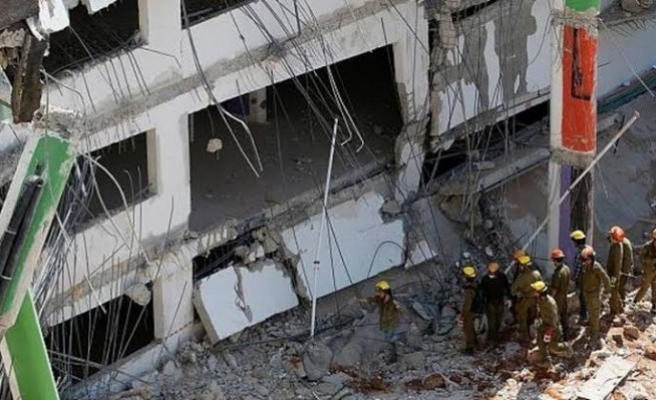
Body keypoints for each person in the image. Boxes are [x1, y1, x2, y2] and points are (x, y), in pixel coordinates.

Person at [531, 280, 574, 367]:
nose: (533, 292)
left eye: (534, 290)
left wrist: (549, 332)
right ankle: (546, 359)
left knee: (553, 347)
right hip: (545, 323)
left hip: (553, 326)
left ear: (539, 292)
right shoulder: (541, 299)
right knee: (540, 339)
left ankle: (566, 346)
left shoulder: (550, 303)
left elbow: (554, 319)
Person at [359, 280, 403, 362]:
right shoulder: (379, 299)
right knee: (389, 339)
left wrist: (401, 318)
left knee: (390, 339)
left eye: (381, 292)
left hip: (392, 323)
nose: (379, 294)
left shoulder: (393, 301)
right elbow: (370, 299)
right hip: (385, 324)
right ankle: (394, 353)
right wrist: (359, 300)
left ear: (386, 292)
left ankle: (400, 339)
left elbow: (401, 311)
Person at [580, 246, 612, 348]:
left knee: (595, 315)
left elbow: (606, 278)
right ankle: (590, 324)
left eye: (585, 260)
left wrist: (607, 291)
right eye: (583, 260)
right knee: (590, 311)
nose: (583, 262)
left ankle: (594, 336)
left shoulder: (596, 267)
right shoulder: (585, 266)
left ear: (591, 259)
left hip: (594, 294)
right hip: (587, 293)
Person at [511, 255, 542, 343]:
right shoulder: (537, 274)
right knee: (532, 318)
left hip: (524, 301)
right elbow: (541, 286)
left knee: (523, 319)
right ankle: (533, 336)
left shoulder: (521, 278)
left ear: (523, 266)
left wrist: (519, 293)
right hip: (534, 300)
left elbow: (512, 290)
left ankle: (525, 337)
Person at [479, 261, 510, 343]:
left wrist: (509, 298)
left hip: (500, 301)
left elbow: (507, 287)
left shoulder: (502, 277)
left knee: (499, 319)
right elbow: (481, 291)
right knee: (492, 321)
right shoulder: (485, 279)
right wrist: (482, 302)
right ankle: (492, 339)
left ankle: (496, 335)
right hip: (490, 302)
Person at [633, 228, 656, 313]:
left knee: (655, 288)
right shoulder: (647, 247)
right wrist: (652, 261)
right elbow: (642, 258)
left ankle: (654, 306)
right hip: (649, 270)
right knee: (645, 287)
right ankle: (635, 302)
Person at [549, 249, 571, 338]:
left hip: (557, 298)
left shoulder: (558, 273)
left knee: (556, 316)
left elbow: (554, 289)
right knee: (564, 315)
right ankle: (566, 334)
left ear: (555, 260)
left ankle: (557, 336)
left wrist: (550, 298)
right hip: (564, 296)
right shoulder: (566, 269)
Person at [458, 266, 479, 354]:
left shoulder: (469, 289)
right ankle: (476, 343)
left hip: (470, 311)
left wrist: (463, 314)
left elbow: (467, 303)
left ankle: (470, 348)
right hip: (475, 309)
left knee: (468, 328)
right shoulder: (476, 284)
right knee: (471, 328)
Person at [606, 226, 627, 315]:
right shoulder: (614, 245)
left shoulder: (617, 248)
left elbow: (617, 266)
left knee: (613, 292)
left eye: (611, 236)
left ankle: (617, 311)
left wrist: (613, 279)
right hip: (612, 274)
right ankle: (616, 309)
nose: (609, 237)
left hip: (614, 275)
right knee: (613, 292)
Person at [570, 230, 588, 324]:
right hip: (589, 279)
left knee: (582, 298)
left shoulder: (579, 253)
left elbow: (577, 269)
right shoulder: (588, 249)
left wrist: (573, 279)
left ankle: (583, 316)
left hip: (581, 280)